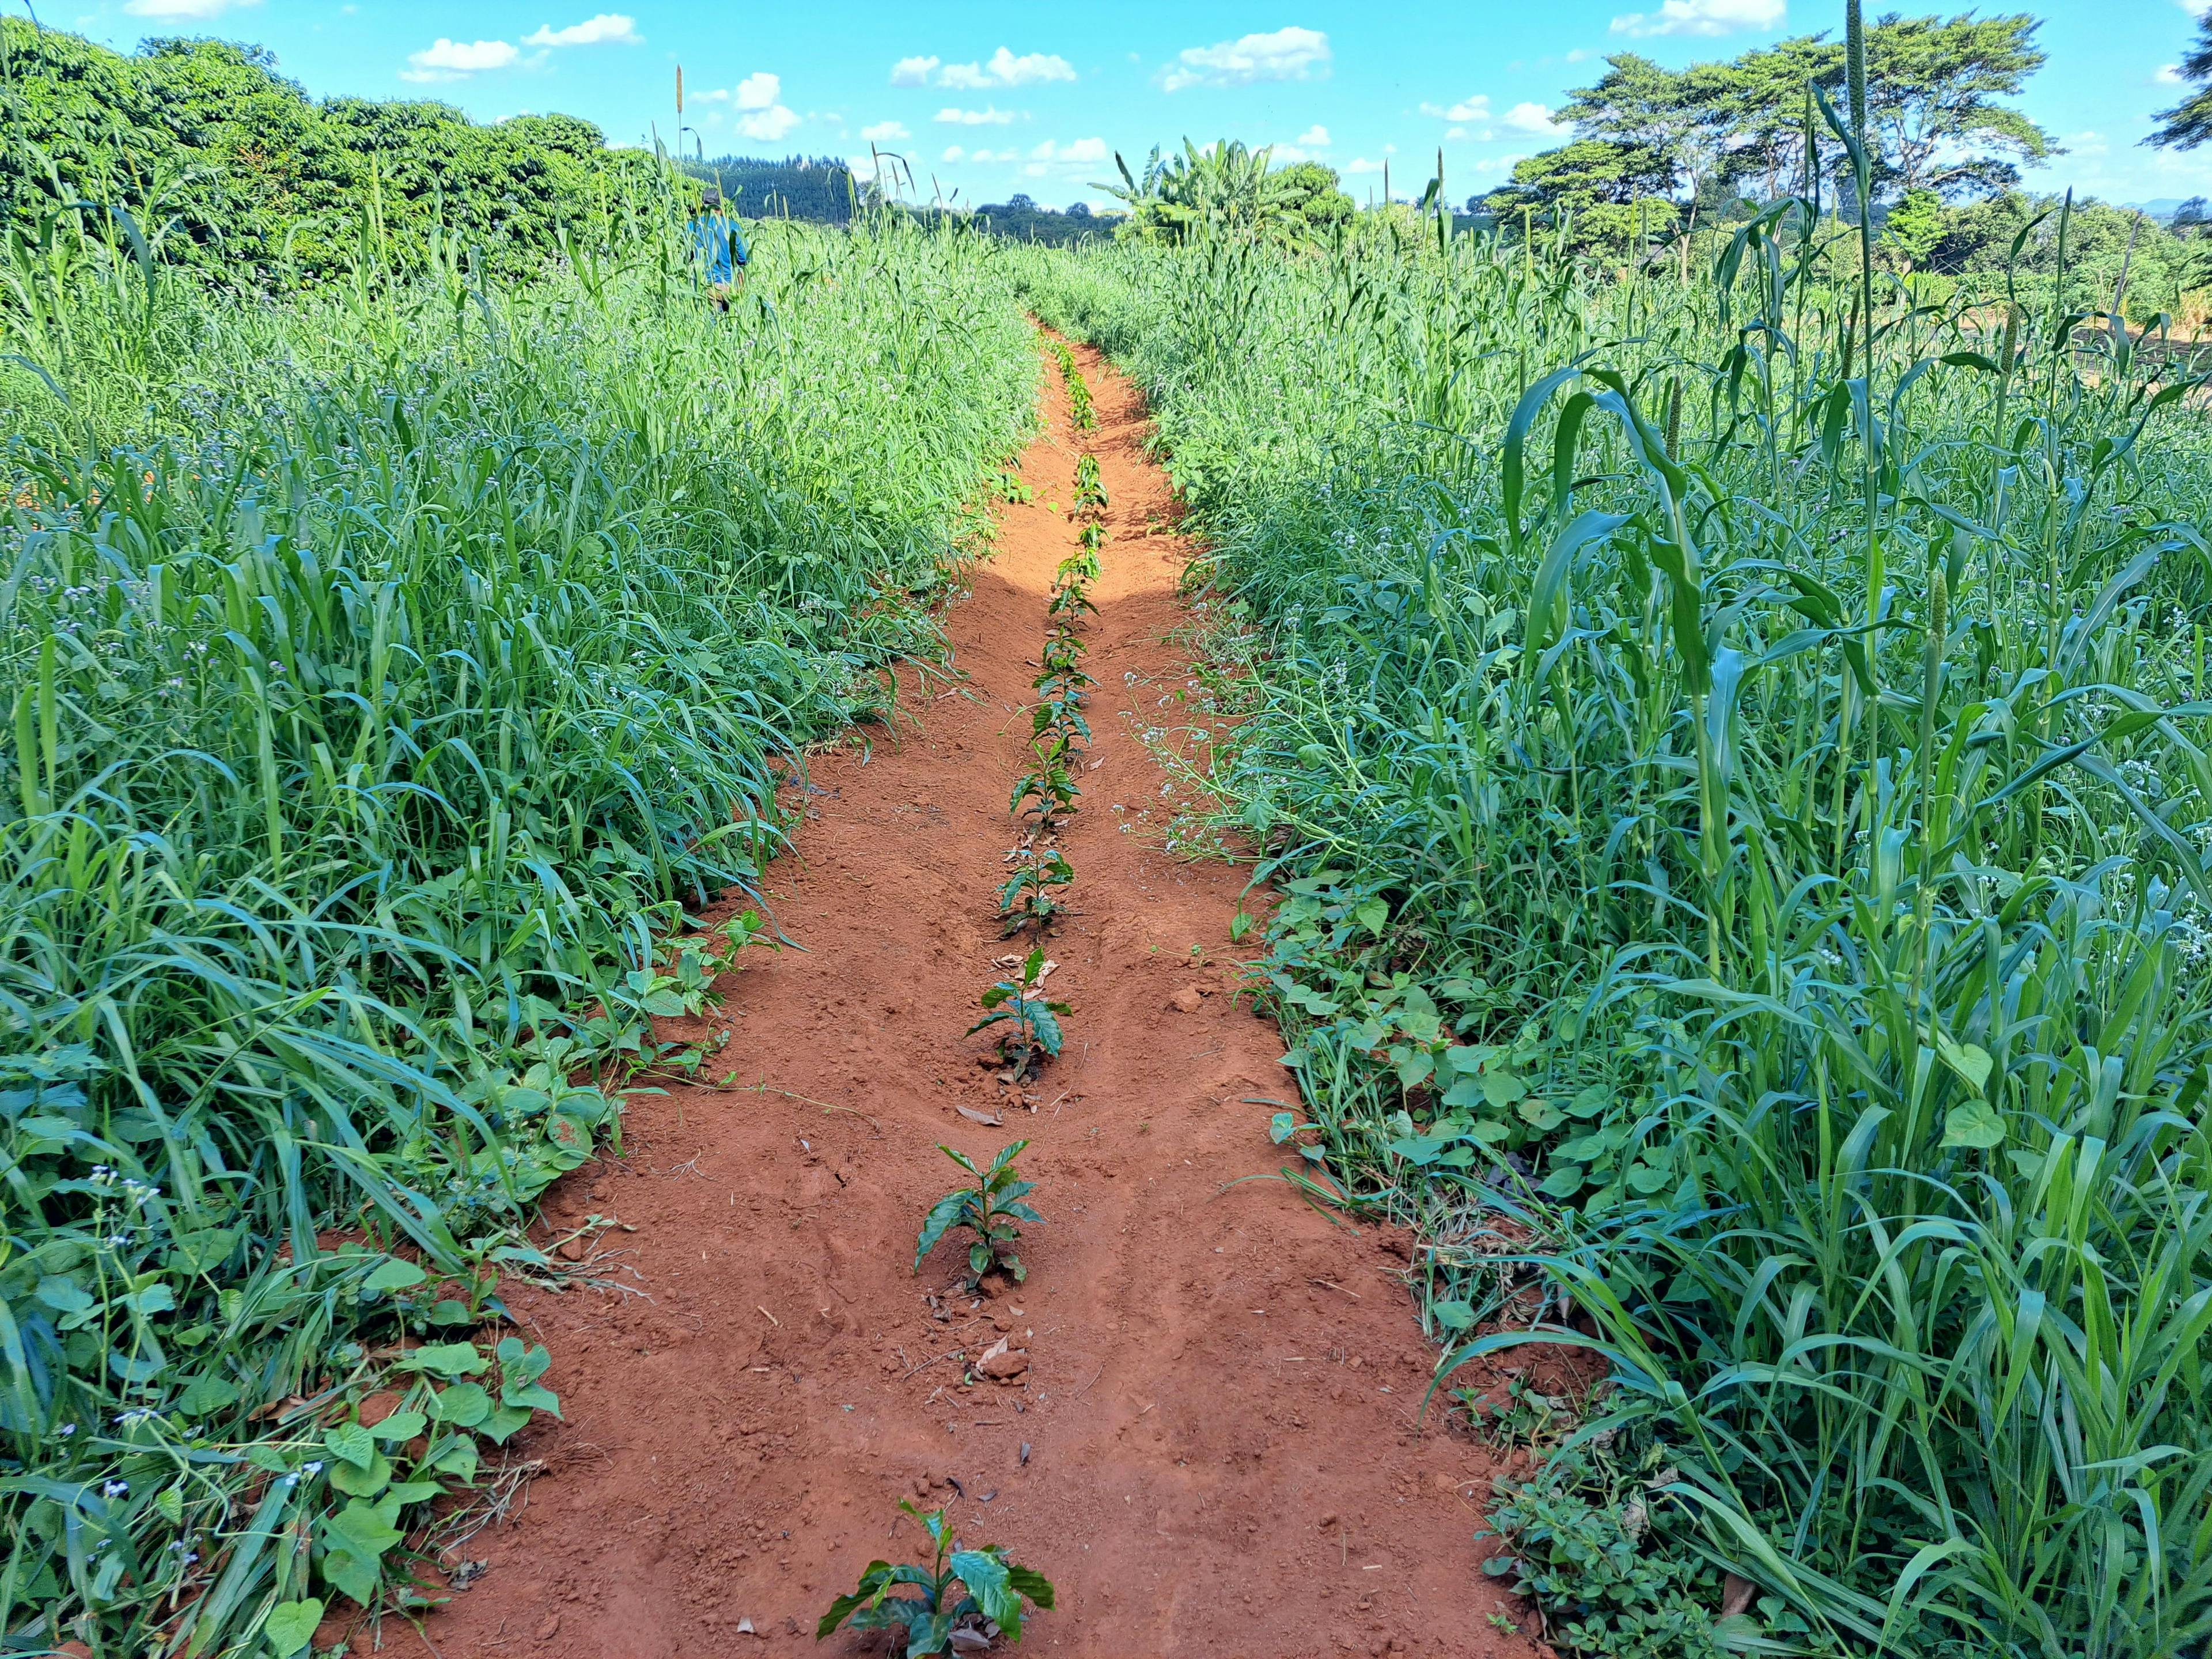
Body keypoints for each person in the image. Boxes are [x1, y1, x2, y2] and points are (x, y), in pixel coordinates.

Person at [688, 189, 748, 309]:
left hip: (707, 287)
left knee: (713, 325)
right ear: (720, 207)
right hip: (732, 288)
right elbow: (744, 258)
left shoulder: (693, 227)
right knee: (736, 325)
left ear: (703, 206)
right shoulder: (732, 227)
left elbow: (686, 258)